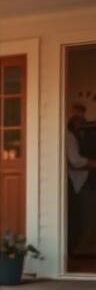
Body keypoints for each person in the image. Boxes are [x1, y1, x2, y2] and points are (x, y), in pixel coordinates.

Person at [65, 103, 96, 256]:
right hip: (78, 181)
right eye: (77, 118)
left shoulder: (81, 134)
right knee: (85, 217)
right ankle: (80, 251)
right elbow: (75, 161)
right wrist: (93, 164)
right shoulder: (68, 135)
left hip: (85, 181)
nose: (80, 121)